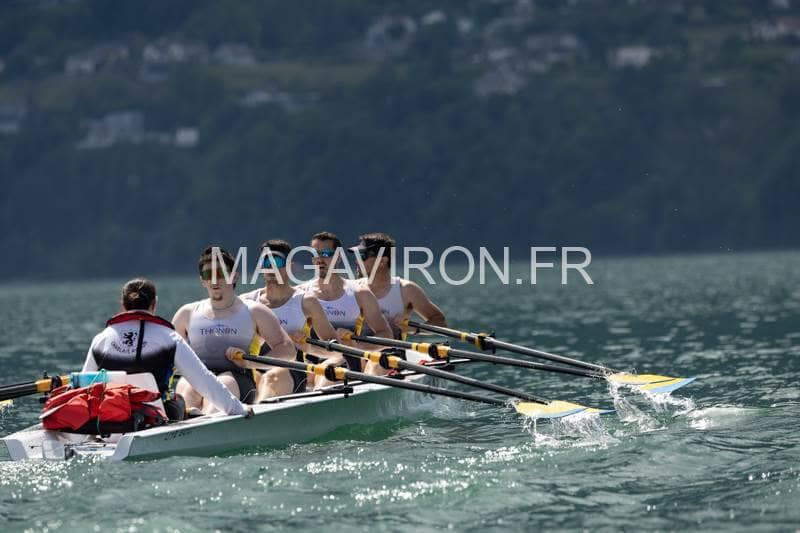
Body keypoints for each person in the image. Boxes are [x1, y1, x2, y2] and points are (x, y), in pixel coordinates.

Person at [82, 278, 249, 418]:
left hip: (109, 418)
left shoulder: (101, 339)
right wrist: (237, 408)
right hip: (155, 417)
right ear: (154, 304)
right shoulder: (169, 337)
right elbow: (202, 379)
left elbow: (83, 386)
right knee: (179, 402)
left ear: (123, 305)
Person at [172, 246, 294, 413]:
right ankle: (188, 416)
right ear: (202, 280)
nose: (214, 280)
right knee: (187, 387)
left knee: (223, 385)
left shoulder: (255, 311)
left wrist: (250, 362)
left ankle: (206, 418)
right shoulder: (186, 314)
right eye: (208, 275)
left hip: (239, 378)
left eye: (221, 273)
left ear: (234, 276)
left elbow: (288, 350)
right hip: (198, 377)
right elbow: (167, 354)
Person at [238, 239, 340, 398]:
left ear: (289, 266)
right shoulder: (246, 302)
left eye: (277, 262)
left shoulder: (306, 302)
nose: (271, 268)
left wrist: (309, 348)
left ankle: (255, 410)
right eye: (266, 262)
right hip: (253, 369)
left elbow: (336, 351)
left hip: (292, 370)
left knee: (271, 378)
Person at [298, 231, 393, 375]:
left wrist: (357, 345)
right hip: (311, 367)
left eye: (326, 254)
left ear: (339, 257)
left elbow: (385, 334)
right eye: (315, 254)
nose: (319, 259)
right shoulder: (299, 294)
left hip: (347, 363)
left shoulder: (360, 293)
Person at [350, 232, 447, 338]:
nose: (356, 261)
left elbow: (440, 321)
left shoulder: (406, 290)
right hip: (356, 347)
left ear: (382, 261)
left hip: (393, 348)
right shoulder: (352, 289)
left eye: (362, 256)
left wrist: (414, 329)